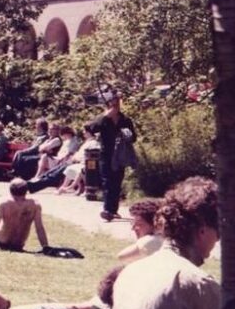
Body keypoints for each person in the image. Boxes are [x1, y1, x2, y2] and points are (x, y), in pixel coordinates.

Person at [111, 177, 220, 309]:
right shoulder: (199, 284)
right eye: (218, 232)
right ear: (203, 231)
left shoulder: (129, 272)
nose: (218, 240)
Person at [87, 92, 138, 221]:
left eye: (117, 104)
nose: (115, 106)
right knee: (107, 181)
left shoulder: (125, 120)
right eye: (113, 104)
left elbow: (134, 138)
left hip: (120, 155)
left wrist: (127, 134)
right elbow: (91, 129)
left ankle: (113, 210)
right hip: (106, 154)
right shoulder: (104, 118)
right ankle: (107, 210)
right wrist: (104, 116)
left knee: (117, 182)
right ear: (108, 105)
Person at [117, 199, 164, 264]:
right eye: (132, 223)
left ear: (156, 225)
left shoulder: (152, 241)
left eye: (139, 224)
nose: (133, 228)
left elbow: (121, 256)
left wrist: (143, 241)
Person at [57, 127, 100, 195]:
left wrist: (75, 158)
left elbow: (85, 155)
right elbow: (79, 153)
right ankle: (64, 187)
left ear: (89, 132)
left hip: (88, 164)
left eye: (84, 131)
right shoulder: (87, 142)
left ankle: (81, 189)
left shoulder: (94, 143)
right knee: (70, 168)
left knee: (79, 169)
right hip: (82, 162)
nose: (83, 132)